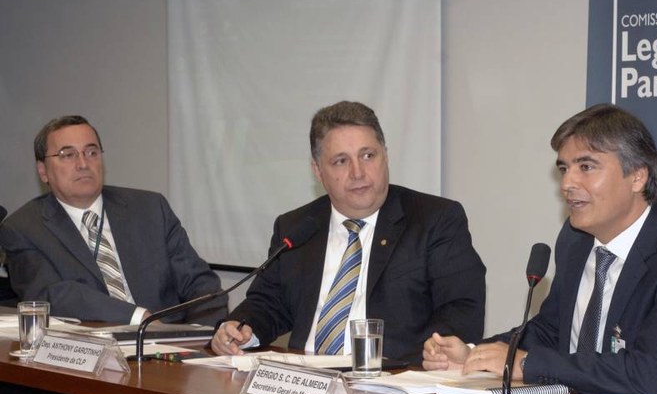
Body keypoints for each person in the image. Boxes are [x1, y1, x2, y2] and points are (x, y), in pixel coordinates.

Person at [423, 103, 657, 394]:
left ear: (637, 177)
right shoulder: (575, 240)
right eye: (564, 169)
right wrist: (474, 355)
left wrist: (524, 363)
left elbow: (644, 375)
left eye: (586, 167)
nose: (567, 183)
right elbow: (550, 331)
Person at [212, 101, 486, 363]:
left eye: (368, 156)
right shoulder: (296, 226)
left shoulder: (434, 220)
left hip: (391, 380)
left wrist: (439, 349)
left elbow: (461, 306)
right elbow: (268, 303)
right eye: (341, 161)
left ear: (385, 156)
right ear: (318, 171)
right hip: (306, 380)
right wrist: (239, 328)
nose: (358, 172)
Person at [0, 115, 226, 325]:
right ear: (43, 171)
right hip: (89, 346)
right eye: (68, 155)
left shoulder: (150, 208)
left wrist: (205, 335)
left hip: (171, 343)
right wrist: (138, 318)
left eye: (91, 152)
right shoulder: (23, 228)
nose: (83, 164)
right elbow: (52, 295)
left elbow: (200, 283)